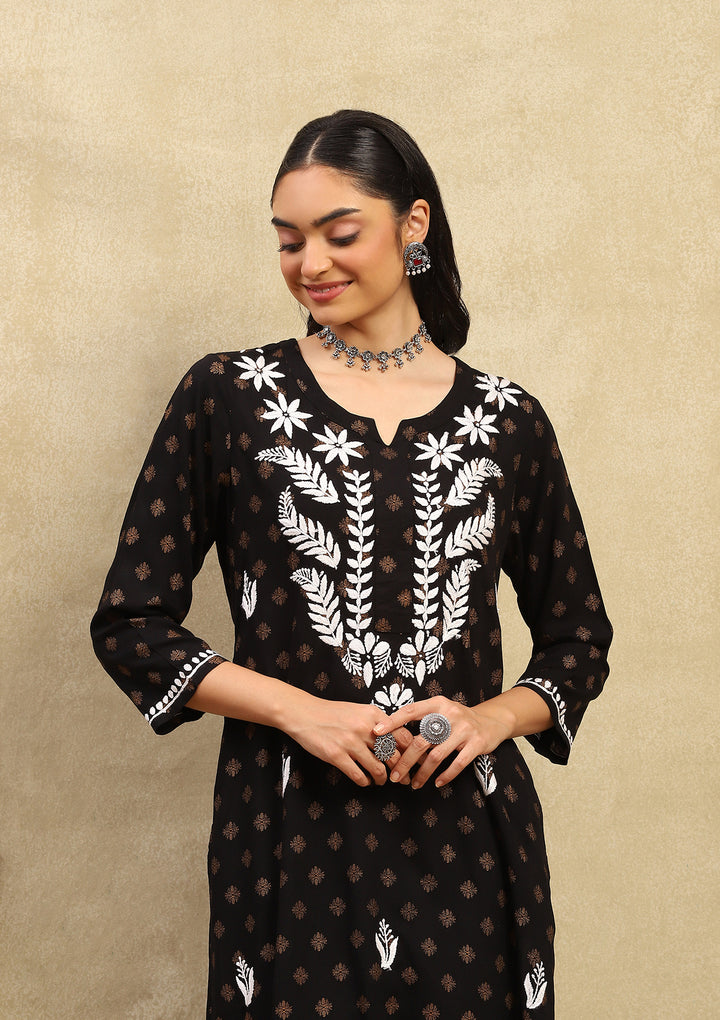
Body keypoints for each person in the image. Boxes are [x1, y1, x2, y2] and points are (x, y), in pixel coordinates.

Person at [91, 109, 612, 1019]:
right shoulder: (229, 397)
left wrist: (487, 719)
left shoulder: (507, 420)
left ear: (413, 226)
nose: (311, 264)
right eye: (289, 241)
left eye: (340, 234)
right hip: (288, 829)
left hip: (467, 836)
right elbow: (132, 625)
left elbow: (579, 641)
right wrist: (301, 713)